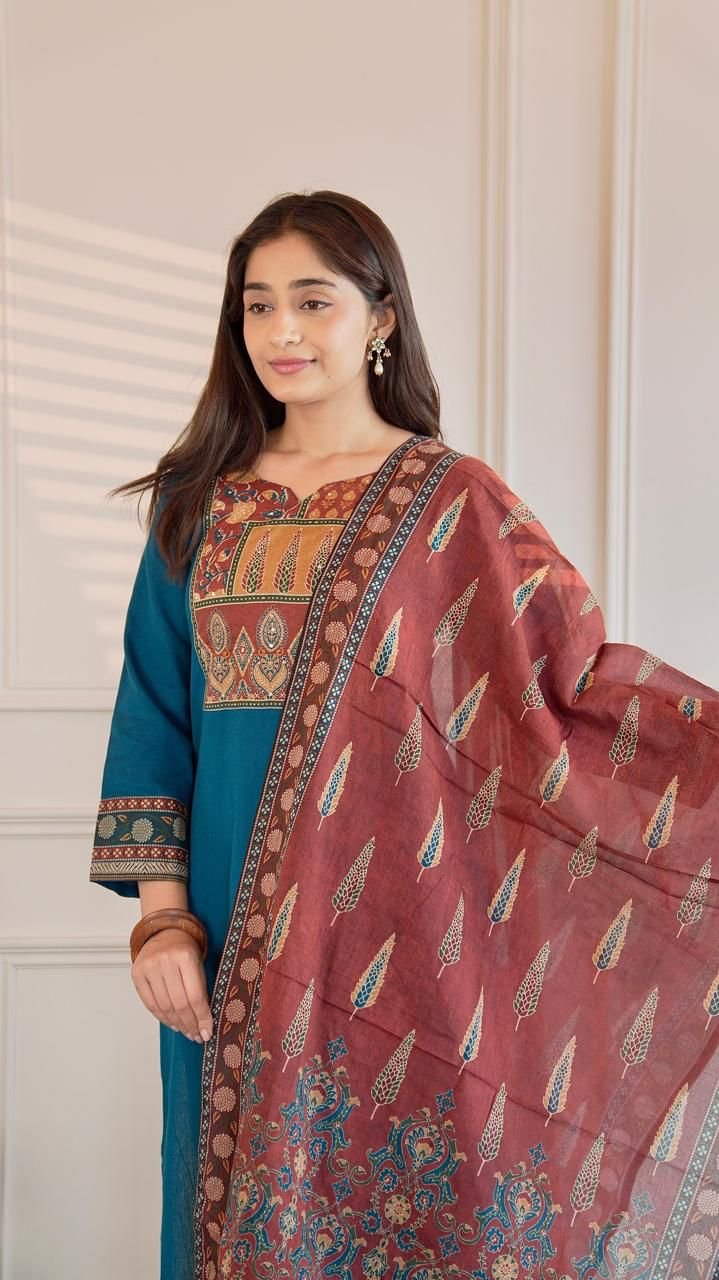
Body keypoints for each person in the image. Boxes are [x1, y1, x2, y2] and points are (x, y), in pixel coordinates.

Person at [90, 190, 719, 1280]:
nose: (281, 331)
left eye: (313, 301)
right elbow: (154, 711)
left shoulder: (451, 500)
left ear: (379, 317)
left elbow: (564, 690)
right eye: (257, 305)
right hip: (229, 930)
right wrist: (161, 923)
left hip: (403, 931)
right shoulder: (200, 506)